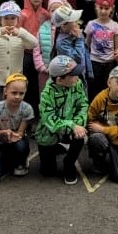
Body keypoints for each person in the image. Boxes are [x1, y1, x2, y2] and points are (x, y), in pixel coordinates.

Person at [35, 55, 89, 184]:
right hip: (49, 133)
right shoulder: (46, 94)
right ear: (59, 80)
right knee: (48, 172)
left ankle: (69, 163)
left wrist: (78, 125)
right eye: (73, 75)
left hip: (72, 127)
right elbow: (50, 120)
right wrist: (71, 125)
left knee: (80, 136)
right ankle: (58, 147)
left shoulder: (77, 83)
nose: (77, 76)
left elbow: (83, 105)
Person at [0, 0, 38, 104]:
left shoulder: (20, 35)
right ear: (0, 19)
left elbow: (34, 43)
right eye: (6, 18)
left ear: (18, 19)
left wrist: (21, 33)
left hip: (16, 80)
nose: (9, 21)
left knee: (14, 107)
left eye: (13, 18)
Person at [86, 66, 118, 183]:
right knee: (95, 138)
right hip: (102, 136)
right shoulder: (100, 98)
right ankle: (98, 161)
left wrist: (103, 129)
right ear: (109, 82)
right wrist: (99, 130)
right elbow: (90, 119)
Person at [0, 73, 35, 184]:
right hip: (0, 143)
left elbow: (21, 132)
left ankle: (21, 160)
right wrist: (3, 133)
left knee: (21, 146)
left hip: (17, 141)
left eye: (21, 93)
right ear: (5, 91)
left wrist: (15, 135)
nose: (17, 97)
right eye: (14, 93)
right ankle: (6, 159)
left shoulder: (27, 108)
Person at [85, 0, 118, 99]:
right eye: (100, 7)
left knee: (107, 88)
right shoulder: (91, 24)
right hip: (94, 63)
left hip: (109, 63)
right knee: (93, 88)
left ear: (112, 8)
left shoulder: (115, 26)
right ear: (96, 6)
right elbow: (86, 44)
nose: (103, 11)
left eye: (106, 8)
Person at [32, 0, 68, 94]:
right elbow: (36, 50)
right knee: (45, 95)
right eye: (53, 10)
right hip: (45, 72)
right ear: (49, 12)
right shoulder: (43, 28)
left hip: (63, 73)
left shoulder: (68, 29)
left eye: (59, 10)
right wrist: (41, 67)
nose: (56, 13)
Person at [51, 5, 91, 79]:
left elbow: (85, 52)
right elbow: (78, 57)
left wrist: (89, 72)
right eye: (74, 21)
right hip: (72, 78)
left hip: (82, 73)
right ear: (63, 26)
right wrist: (79, 38)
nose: (76, 23)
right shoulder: (61, 43)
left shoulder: (73, 34)